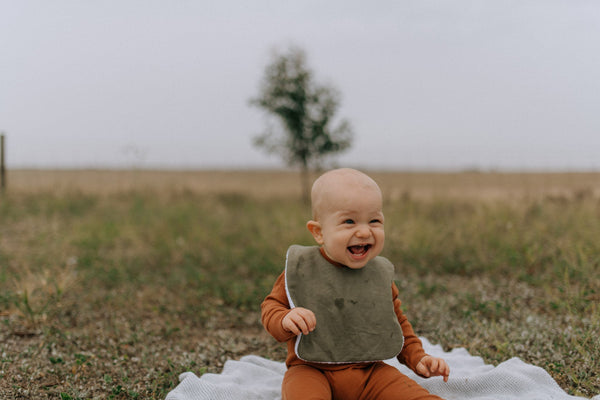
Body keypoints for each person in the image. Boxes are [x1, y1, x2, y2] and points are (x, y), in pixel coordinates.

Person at [261, 168, 450, 400]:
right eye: (349, 221)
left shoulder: (377, 275)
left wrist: (418, 358)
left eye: (374, 220)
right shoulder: (303, 270)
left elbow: (396, 325)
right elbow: (270, 308)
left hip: (371, 372)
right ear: (319, 232)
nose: (364, 231)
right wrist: (285, 319)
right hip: (311, 370)